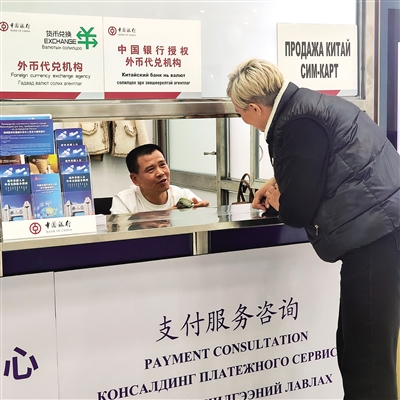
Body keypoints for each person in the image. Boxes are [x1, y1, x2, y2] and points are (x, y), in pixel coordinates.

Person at [226, 58, 400, 399]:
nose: (243, 120)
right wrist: (277, 181)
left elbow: (298, 209)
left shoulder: (297, 123)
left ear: (254, 108)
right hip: (381, 231)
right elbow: (326, 161)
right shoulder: (309, 106)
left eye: (240, 113)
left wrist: (281, 201)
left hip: (376, 238)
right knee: (357, 348)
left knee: (366, 360)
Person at [110, 143, 209, 214]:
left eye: (162, 165)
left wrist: (204, 210)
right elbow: (120, 234)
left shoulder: (183, 195)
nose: (160, 173)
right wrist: (167, 217)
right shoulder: (124, 202)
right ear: (135, 179)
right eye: (150, 169)